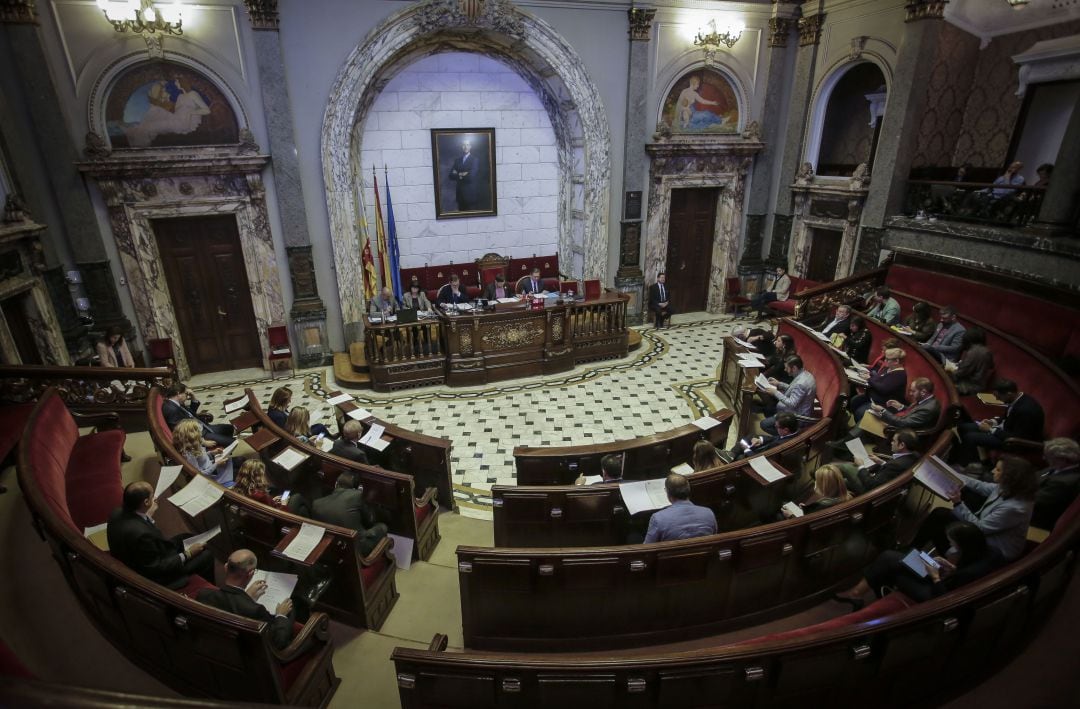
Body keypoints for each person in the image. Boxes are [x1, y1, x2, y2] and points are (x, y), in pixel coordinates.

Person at [834, 521, 1000, 608]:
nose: (950, 545)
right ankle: (857, 594)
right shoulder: (986, 553)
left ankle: (857, 594)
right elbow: (960, 576)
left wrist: (935, 577)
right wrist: (952, 568)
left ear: (964, 544)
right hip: (945, 581)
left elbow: (945, 599)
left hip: (934, 595)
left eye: (952, 542)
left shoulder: (969, 572)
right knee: (892, 558)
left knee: (892, 567)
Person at [912, 455, 1037, 562]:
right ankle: (914, 549)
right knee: (940, 514)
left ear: (1010, 477)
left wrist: (958, 503)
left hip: (995, 549)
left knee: (944, 524)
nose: (993, 471)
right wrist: (953, 476)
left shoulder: (1015, 508)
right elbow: (979, 485)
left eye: (998, 470)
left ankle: (949, 561)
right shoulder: (1009, 487)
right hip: (985, 529)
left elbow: (979, 529)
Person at [107, 481, 215, 590]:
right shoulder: (142, 533)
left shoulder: (116, 513)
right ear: (146, 502)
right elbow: (157, 567)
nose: (154, 497)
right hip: (155, 576)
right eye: (152, 495)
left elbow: (144, 533)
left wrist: (147, 515)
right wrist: (188, 554)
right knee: (206, 556)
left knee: (186, 537)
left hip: (142, 556)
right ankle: (210, 590)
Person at [196, 549, 294, 650]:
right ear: (250, 573)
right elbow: (278, 642)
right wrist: (281, 615)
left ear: (226, 568)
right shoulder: (255, 610)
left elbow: (231, 605)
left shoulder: (203, 595)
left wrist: (247, 597)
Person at [954, 380, 1044, 466]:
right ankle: (968, 457)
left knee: (970, 437)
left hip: (1013, 443)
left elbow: (1017, 437)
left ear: (1009, 393)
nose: (997, 399)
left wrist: (990, 429)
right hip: (1004, 430)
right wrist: (993, 422)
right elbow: (1007, 417)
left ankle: (968, 464)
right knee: (964, 427)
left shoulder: (1025, 411)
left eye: (999, 397)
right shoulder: (1017, 398)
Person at [312, 471, 388, 556]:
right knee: (382, 526)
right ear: (359, 488)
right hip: (358, 548)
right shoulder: (357, 495)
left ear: (336, 484)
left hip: (332, 549)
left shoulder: (316, 503)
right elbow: (370, 521)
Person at [835, 428, 919, 495]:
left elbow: (871, 485)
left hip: (871, 491)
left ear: (902, 445)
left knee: (844, 467)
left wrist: (861, 466)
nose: (891, 443)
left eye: (894, 441)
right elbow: (893, 472)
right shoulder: (915, 455)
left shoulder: (896, 465)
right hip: (881, 481)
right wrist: (881, 462)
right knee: (842, 481)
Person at [643, 473, 717, 543]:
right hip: (703, 556)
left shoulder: (658, 519)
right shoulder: (709, 513)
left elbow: (647, 549)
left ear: (667, 493)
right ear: (689, 489)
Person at [162, 381, 235, 448]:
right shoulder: (171, 409)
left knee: (230, 428)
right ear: (178, 393)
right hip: (199, 435)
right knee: (232, 442)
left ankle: (225, 451)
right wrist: (202, 442)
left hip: (204, 427)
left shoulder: (176, 403)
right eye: (186, 393)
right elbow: (182, 433)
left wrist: (193, 397)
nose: (187, 397)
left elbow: (190, 413)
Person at [759, 356, 817, 435]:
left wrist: (775, 392)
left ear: (794, 368)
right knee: (767, 410)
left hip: (797, 416)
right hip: (795, 409)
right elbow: (793, 389)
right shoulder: (805, 374)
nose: (785, 370)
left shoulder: (801, 383)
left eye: (787, 368)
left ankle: (786, 436)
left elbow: (792, 404)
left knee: (764, 425)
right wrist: (779, 384)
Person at [1032, 438, 1080, 529]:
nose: (1044, 458)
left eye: (1048, 456)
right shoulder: (1057, 467)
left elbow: (1035, 501)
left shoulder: (1066, 482)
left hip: (1037, 521)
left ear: (1064, 459)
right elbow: (1032, 477)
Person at [849, 347, 907, 423]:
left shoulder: (900, 375)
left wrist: (869, 379)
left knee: (860, 412)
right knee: (855, 400)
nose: (885, 361)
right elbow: (878, 378)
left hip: (883, 404)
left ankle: (861, 430)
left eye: (887, 359)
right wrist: (869, 375)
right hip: (873, 397)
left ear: (896, 361)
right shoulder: (888, 368)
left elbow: (883, 389)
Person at [174, 418, 235, 487]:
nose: (201, 434)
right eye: (198, 431)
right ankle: (226, 484)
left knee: (228, 458)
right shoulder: (188, 454)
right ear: (192, 435)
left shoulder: (195, 444)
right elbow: (199, 474)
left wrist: (212, 452)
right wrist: (217, 464)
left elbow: (202, 457)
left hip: (211, 467)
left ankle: (227, 482)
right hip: (208, 477)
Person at [867, 377, 940, 430]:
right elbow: (914, 412)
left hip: (903, 432)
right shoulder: (925, 399)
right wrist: (901, 406)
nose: (910, 394)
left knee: (868, 421)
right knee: (869, 416)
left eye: (913, 391)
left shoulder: (928, 409)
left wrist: (883, 411)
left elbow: (903, 423)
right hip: (902, 422)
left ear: (923, 392)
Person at [783, 464, 852, 517]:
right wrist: (807, 509)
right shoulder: (847, 496)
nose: (815, 482)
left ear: (824, 486)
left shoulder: (822, 505)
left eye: (817, 480)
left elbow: (805, 524)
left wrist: (791, 516)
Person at [949, 327, 994, 396]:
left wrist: (950, 370)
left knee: (943, 381)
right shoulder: (986, 350)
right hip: (977, 383)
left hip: (971, 385)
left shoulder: (974, 352)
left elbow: (961, 373)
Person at [449, 139, 480, 211]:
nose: (465, 147)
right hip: (460, 195)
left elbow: (471, 177)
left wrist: (457, 174)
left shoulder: (474, 160)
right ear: (461, 147)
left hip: (470, 196)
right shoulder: (457, 160)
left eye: (467, 145)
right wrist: (462, 174)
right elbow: (450, 175)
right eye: (464, 145)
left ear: (470, 147)